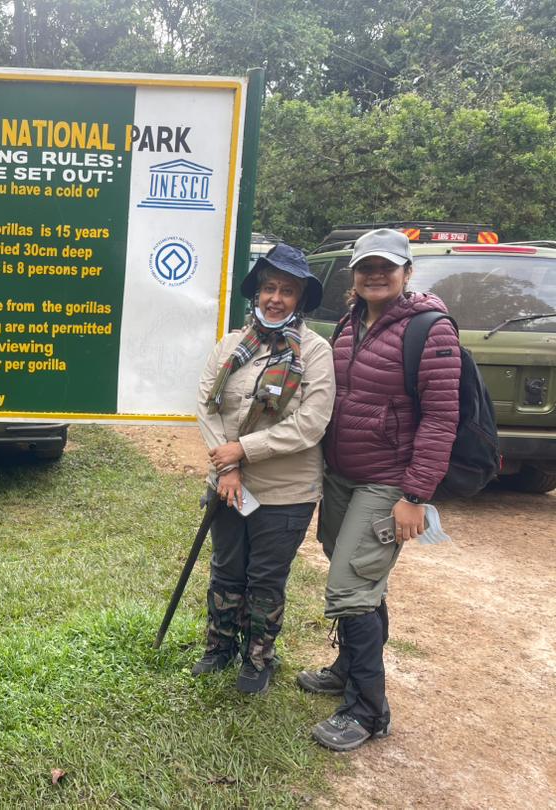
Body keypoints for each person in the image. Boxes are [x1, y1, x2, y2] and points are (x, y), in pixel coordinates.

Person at [299, 228, 460, 751]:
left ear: (407, 273)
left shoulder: (430, 330)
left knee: (350, 586)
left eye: (386, 266)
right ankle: (348, 669)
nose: (375, 274)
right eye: (366, 266)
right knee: (358, 578)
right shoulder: (349, 325)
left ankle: (368, 712)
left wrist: (414, 496)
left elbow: (440, 419)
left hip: (387, 480)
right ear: (354, 274)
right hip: (343, 475)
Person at [193, 243, 335, 694]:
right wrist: (227, 463)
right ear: (256, 294)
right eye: (269, 287)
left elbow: (310, 424)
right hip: (228, 484)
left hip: (285, 491)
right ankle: (220, 647)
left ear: (300, 300)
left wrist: (244, 451)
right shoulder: (232, 345)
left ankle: (259, 659)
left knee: (265, 580)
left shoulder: (315, 352)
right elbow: (205, 404)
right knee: (226, 569)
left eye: (287, 290)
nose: (275, 297)